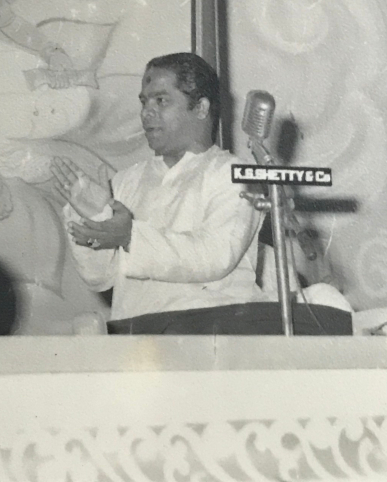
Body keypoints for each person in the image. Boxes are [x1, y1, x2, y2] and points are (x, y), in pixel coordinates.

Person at [52, 52, 274, 332]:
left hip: (211, 333)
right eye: (144, 101)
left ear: (201, 108)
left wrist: (129, 236)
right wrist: (93, 215)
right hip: (136, 337)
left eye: (161, 100)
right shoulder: (125, 181)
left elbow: (215, 256)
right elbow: (99, 278)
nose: (146, 112)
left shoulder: (234, 173)